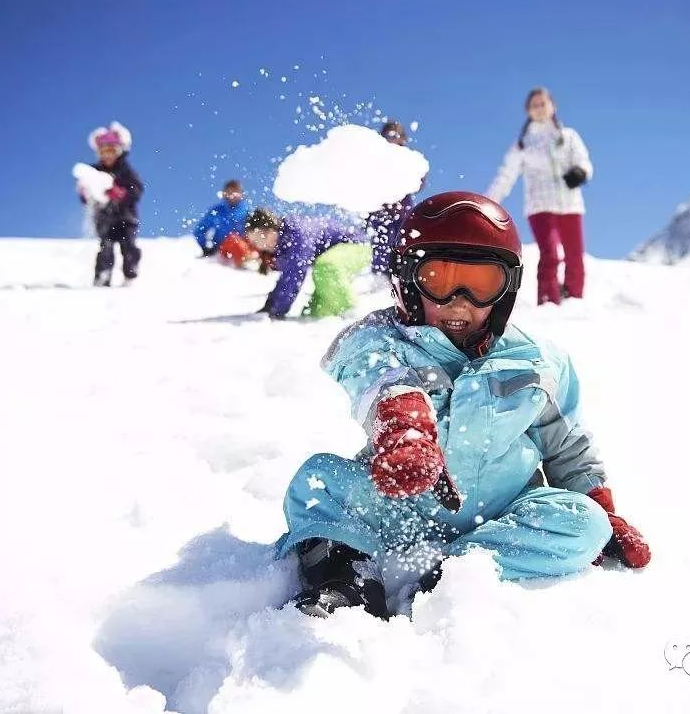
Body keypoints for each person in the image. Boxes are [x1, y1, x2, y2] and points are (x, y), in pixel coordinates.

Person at [275, 191, 650, 619]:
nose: (460, 301)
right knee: (319, 482)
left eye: (481, 284)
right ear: (408, 281)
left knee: (585, 524)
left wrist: (602, 507)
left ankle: (456, 572)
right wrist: (404, 425)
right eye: (439, 277)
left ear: (506, 289)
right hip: (401, 507)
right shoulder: (380, 340)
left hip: (501, 515)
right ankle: (345, 578)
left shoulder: (537, 362)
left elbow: (567, 447)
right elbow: (377, 378)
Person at [486, 87, 594, 304]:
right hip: (540, 207)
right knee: (551, 255)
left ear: (553, 106)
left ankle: (575, 302)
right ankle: (548, 301)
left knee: (575, 258)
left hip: (570, 204)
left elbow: (584, 161)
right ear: (528, 111)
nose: (540, 108)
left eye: (543, 103)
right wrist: (488, 202)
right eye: (535, 105)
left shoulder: (568, 136)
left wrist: (580, 173)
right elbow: (506, 176)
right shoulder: (523, 145)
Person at [245, 207, 370, 319]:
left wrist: (276, 311)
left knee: (326, 267)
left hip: (357, 246)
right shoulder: (285, 244)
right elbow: (286, 279)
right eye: (254, 243)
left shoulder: (296, 233)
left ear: (271, 230)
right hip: (332, 259)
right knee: (313, 315)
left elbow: (293, 276)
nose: (259, 247)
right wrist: (270, 305)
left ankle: (354, 316)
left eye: (259, 240)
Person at [85, 122, 143, 286]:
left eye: (111, 151)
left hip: (126, 218)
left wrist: (122, 194)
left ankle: (130, 274)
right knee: (106, 248)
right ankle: (102, 277)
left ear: (119, 151)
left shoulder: (126, 170)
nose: (108, 155)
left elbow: (137, 189)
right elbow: (86, 192)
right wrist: (86, 193)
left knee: (128, 246)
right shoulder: (94, 171)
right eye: (103, 152)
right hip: (104, 218)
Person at [366, 121, 423, 276]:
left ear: (403, 139)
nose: (391, 140)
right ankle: (380, 279)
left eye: (395, 136)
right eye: (388, 136)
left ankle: (406, 277)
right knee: (381, 248)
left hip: (402, 214)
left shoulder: (408, 159)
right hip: (381, 214)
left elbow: (420, 183)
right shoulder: (376, 160)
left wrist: (414, 174)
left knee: (404, 246)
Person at [193, 179, 253, 258]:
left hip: (246, 249)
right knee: (233, 239)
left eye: (236, 192)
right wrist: (205, 247)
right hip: (223, 249)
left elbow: (255, 232)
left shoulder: (247, 212)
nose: (232, 195)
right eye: (230, 192)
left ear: (241, 194)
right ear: (224, 194)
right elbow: (200, 230)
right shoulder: (217, 211)